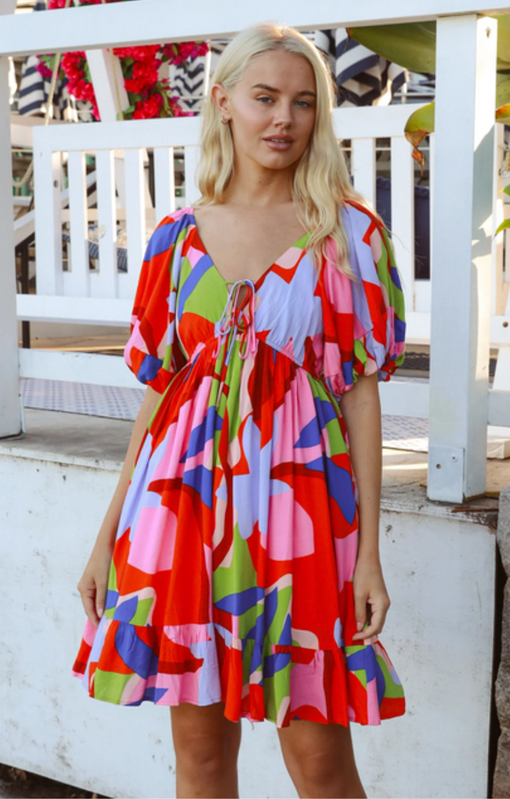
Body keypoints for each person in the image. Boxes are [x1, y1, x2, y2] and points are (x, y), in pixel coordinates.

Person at [73, 21, 407, 799]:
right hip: (178, 516)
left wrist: (368, 553)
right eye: (264, 98)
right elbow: (159, 395)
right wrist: (106, 537)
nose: (284, 118)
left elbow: (360, 390)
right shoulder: (173, 239)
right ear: (223, 102)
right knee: (200, 758)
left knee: (320, 763)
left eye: (302, 102)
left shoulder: (348, 234)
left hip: (301, 517)